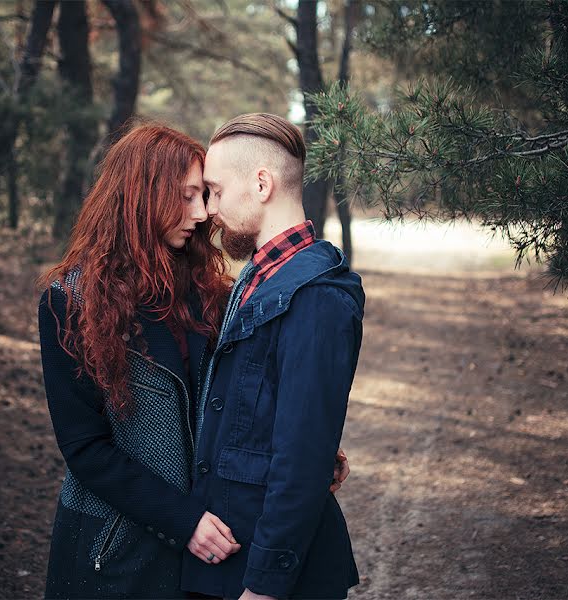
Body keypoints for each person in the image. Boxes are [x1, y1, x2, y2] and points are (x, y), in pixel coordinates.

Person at [37, 123, 350, 599]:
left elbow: (243, 399)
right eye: (186, 197)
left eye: (205, 194)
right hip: (115, 547)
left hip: (209, 550)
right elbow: (83, 447)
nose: (203, 213)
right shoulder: (71, 301)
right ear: (142, 197)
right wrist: (182, 521)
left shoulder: (212, 294)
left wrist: (308, 450)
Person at [181, 113, 364, 600]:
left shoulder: (316, 296)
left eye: (216, 190)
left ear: (261, 183)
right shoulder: (255, 277)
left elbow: (302, 458)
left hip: (272, 579)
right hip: (229, 558)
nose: (208, 209)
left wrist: (265, 585)